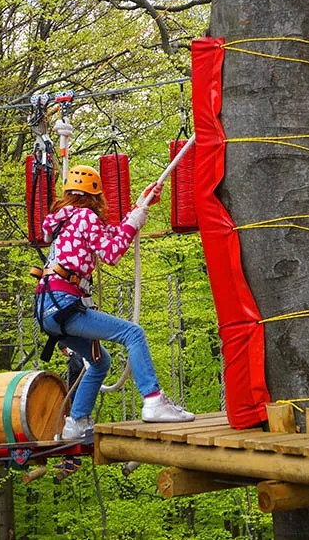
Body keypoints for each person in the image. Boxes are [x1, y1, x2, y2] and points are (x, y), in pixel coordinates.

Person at [36, 165, 195, 440]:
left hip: (48, 308)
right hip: (64, 303)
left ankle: (77, 422)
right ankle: (154, 400)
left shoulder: (66, 220)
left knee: (100, 362)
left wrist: (139, 207)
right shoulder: (85, 216)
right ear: (95, 197)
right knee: (133, 333)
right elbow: (111, 252)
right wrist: (135, 222)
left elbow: (111, 235)